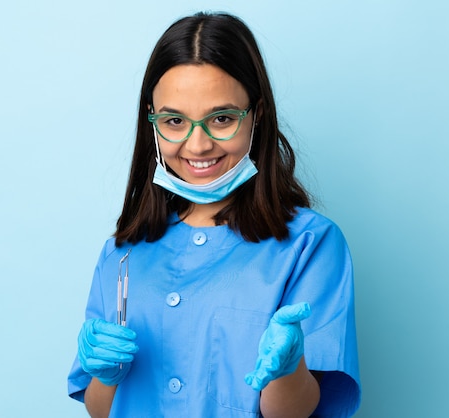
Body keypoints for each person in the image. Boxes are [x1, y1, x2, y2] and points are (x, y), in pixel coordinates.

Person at [68, 11, 361, 418]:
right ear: (152, 122)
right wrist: (105, 374)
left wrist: (289, 369)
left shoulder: (310, 245)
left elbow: (293, 413)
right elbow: (102, 410)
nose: (198, 144)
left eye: (222, 118)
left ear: (256, 115)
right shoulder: (122, 253)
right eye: (174, 121)